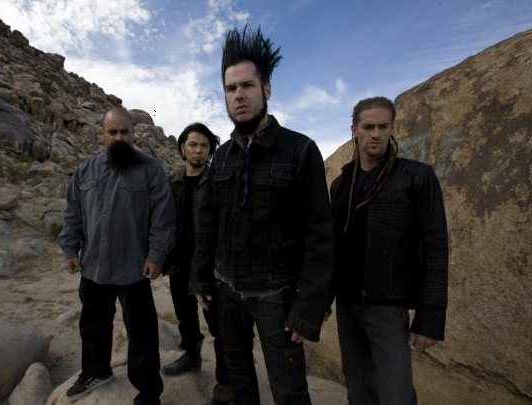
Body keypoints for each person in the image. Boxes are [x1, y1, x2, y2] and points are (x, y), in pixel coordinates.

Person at [189, 25, 334, 405]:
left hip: (276, 296)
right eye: (230, 88)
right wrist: (200, 277)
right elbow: (208, 223)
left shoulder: (300, 150)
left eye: (247, 86)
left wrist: (308, 307)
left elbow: (320, 234)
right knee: (240, 382)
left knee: (289, 390)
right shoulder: (222, 156)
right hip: (226, 292)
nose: (238, 95)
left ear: (266, 89)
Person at [330, 96, 449, 405]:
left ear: (392, 128)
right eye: (368, 127)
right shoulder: (341, 185)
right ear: (354, 130)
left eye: (383, 127)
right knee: (358, 388)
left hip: (388, 307)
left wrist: (429, 318)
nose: (376, 134)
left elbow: (436, 248)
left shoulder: (415, 177)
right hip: (347, 304)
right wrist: (319, 302)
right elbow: (332, 248)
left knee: (396, 394)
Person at [58, 106, 176, 404]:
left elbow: (163, 219)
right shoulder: (86, 170)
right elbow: (72, 213)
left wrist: (156, 256)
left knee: (142, 334)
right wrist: (70, 249)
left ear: (134, 134)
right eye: (113, 132)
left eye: (125, 132)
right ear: (103, 134)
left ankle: (148, 393)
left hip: (134, 267)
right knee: (92, 327)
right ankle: (96, 372)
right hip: (93, 266)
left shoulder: (151, 170)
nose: (119, 137)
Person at [161, 123, 232, 404]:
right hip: (180, 266)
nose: (198, 150)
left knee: (219, 326)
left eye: (204, 145)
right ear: (182, 147)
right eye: (193, 144)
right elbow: (166, 223)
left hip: (211, 268)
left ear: (210, 150)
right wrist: (166, 258)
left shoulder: (218, 182)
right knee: (185, 318)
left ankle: (226, 383)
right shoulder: (173, 181)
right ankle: (192, 356)